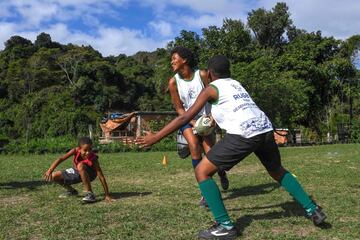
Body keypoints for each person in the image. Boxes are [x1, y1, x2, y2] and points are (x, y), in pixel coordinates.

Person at [136, 55, 327, 239]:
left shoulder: (211, 88)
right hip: (264, 128)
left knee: (202, 171)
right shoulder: (237, 84)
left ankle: (225, 226)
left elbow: (185, 117)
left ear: (209, 73)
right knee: (276, 170)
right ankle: (313, 210)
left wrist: (156, 137)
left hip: (244, 133)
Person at [168, 46, 230, 207]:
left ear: (184, 60)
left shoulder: (201, 75)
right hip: (187, 120)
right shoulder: (173, 82)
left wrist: (212, 117)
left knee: (212, 156)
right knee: (194, 146)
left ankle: (221, 172)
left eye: (174, 58)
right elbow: (178, 107)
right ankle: (205, 194)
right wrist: (192, 122)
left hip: (206, 121)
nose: (171, 61)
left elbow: (216, 94)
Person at [44, 137, 113, 203]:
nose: (88, 152)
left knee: (80, 165)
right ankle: (72, 191)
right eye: (85, 150)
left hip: (91, 174)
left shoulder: (93, 158)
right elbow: (61, 159)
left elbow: (101, 176)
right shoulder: (75, 151)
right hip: (77, 171)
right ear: (79, 149)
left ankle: (90, 194)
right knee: (54, 176)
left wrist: (107, 195)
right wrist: (50, 170)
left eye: (90, 149)